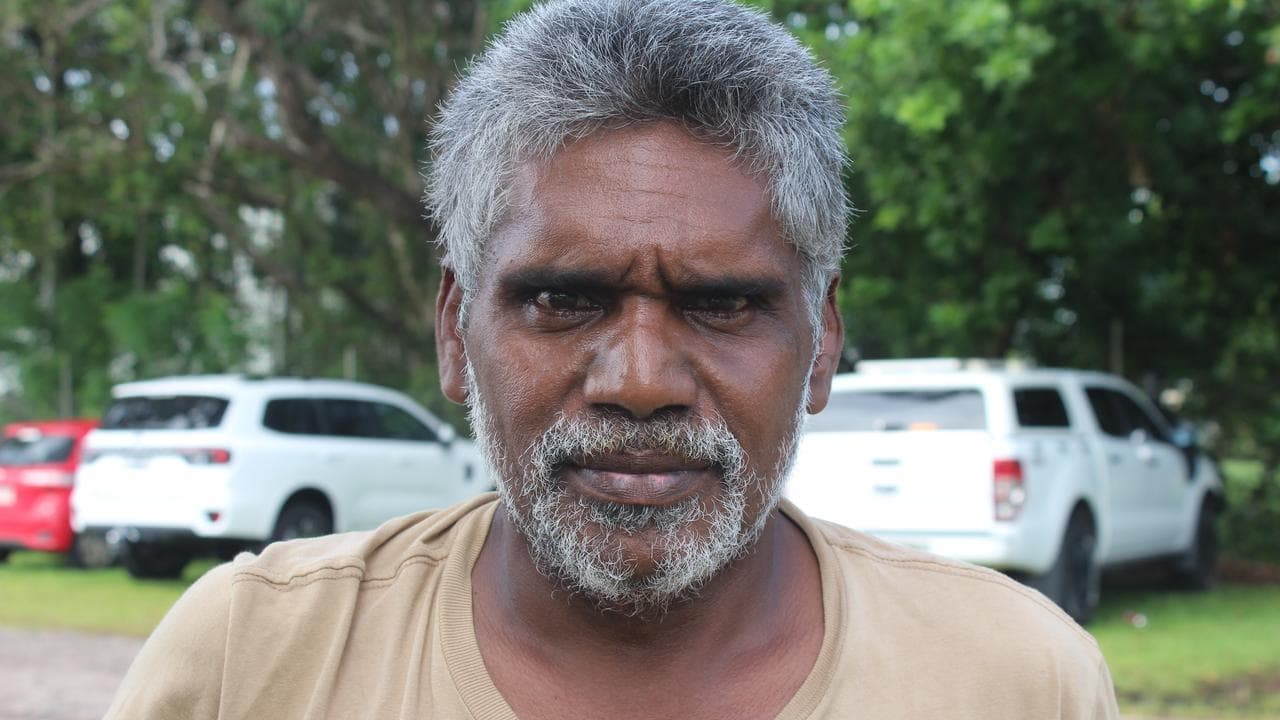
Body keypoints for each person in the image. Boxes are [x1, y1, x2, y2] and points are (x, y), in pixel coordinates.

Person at [106, 0, 1120, 717]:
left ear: (821, 349)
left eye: (721, 306)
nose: (639, 381)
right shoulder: (254, 659)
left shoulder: (1016, 681)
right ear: (455, 334)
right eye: (559, 299)